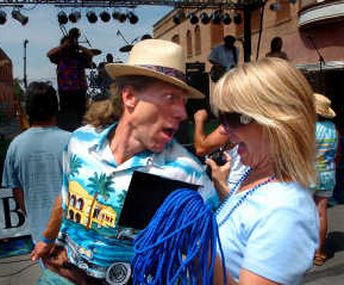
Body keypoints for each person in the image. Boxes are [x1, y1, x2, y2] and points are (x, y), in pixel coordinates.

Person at [31, 39, 218, 284]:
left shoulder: (187, 174)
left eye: (183, 101)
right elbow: (66, 195)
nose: (182, 113)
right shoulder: (80, 141)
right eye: (170, 97)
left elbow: (210, 256)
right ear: (130, 96)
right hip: (62, 277)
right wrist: (47, 239)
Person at [133, 58, 319, 285]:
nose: (225, 130)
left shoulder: (286, 209)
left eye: (233, 118)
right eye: (221, 118)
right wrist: (223, 190)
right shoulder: (254, 174)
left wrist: (197, 242)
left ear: (277, 120)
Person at [2, 82, 71, 246]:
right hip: (74, 235)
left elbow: (16, 191)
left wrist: (33, 216)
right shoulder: (73, 140)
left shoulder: (15, 146)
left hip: (40, 235)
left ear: (27, 110)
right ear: (56, 107)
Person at [47, 28, 93, 131]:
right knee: (67, 117)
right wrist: (64, 46)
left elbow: (90, 54)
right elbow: (49, 54)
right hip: (65, 90)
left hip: (80, 89)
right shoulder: (60, 56)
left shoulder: (79, 56)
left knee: (81, 116)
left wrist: (78, 45)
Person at [311, 93, 338, 266]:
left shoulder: (309, 128)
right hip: (328, 173)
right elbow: (335, 152)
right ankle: (319, 253)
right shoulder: (334, 129)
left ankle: (304, 250)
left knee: (306, 211)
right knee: (321, 213)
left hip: (309, 173)